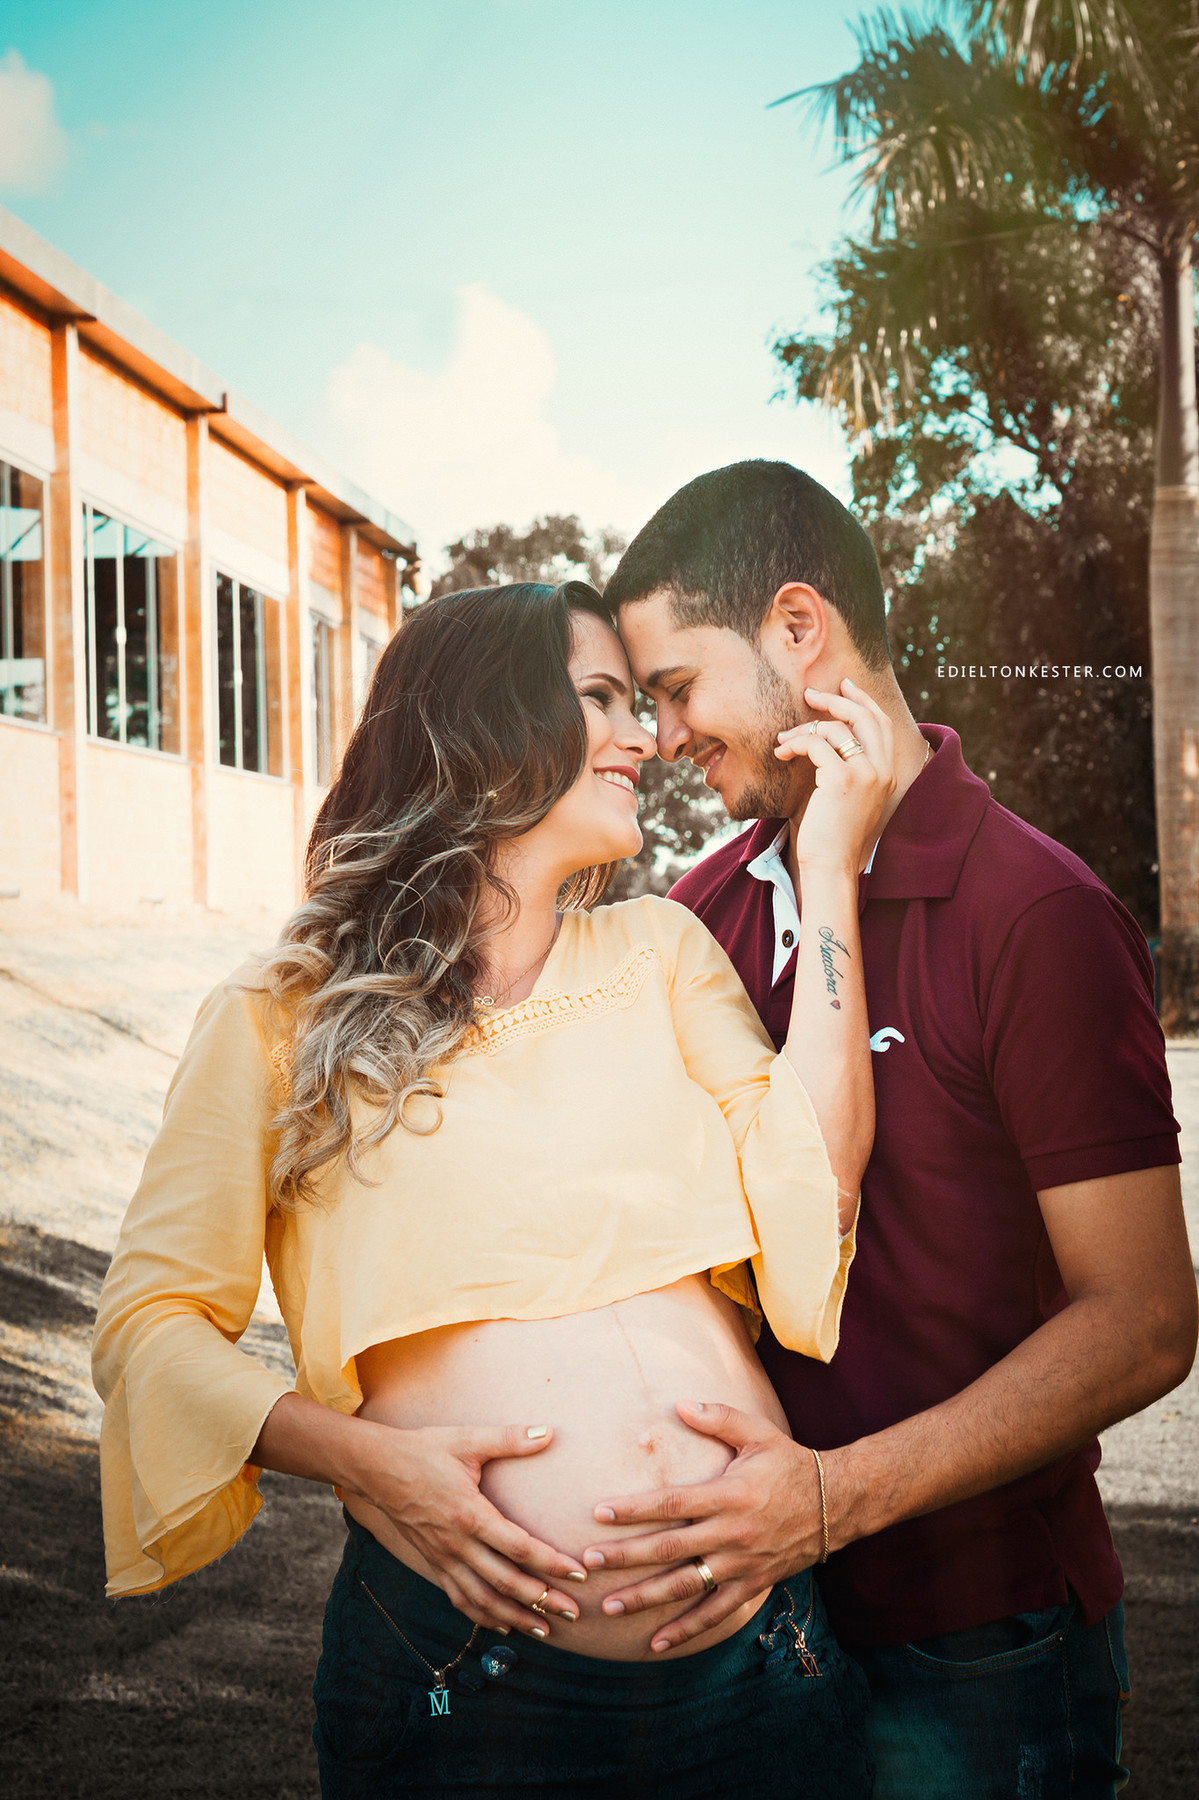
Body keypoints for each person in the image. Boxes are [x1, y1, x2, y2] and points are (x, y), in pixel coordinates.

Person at [91, 579, 891, 1800]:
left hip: (761, 1664)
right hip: (466, 1681)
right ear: (475, 729)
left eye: (641, 705)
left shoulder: (662, 952)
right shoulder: (278, 1015)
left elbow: (814, 1187)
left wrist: (825, 873)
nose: (643, 738)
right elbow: (149, 1331)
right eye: (599, 700)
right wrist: (367, 1464)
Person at [586, 459, 1199, 1798]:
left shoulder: (1034, 914)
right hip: (746, 1638)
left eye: (676, 687)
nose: (666, 733)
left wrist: (834, 1498)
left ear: (795, 631)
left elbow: (1143, 1317)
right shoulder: (692, 918)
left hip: (978, 1653)